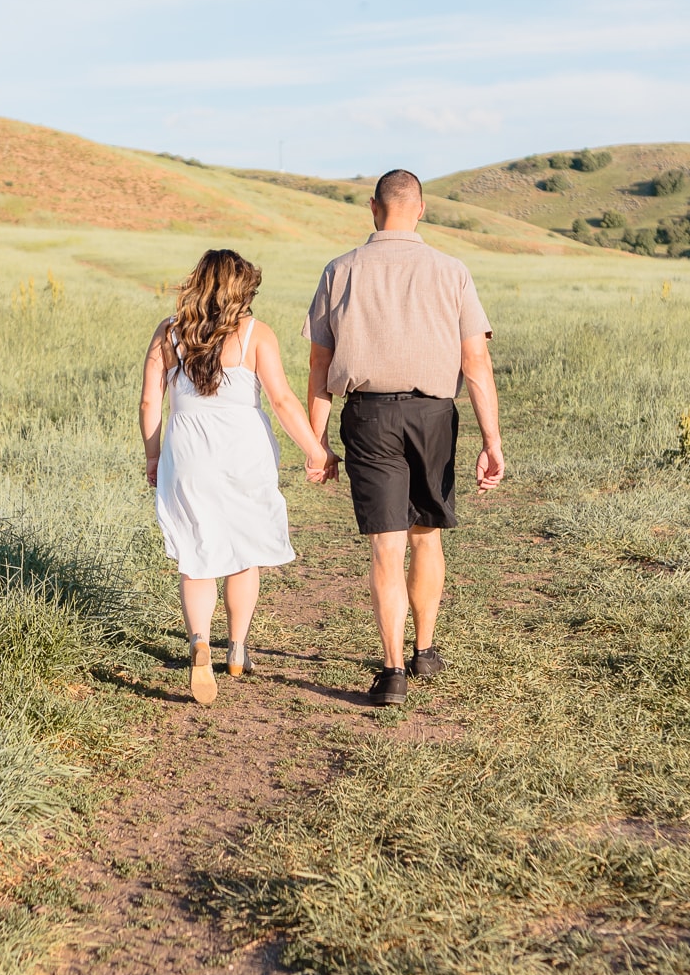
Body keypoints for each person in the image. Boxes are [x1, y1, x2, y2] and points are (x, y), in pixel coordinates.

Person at [303, 169, 504, 706]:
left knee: (386, 547)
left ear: (373, 208)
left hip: (366, 417)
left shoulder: (339, 270)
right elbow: (475, 361)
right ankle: (426, 650)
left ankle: (391, 671)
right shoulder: (451, 270)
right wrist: (492, 441)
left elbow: (319, 364)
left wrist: (317, 443)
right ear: (421, 208)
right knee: (426, 536)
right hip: (433, 414)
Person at [140, 248, 337, 705]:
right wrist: (316, 451)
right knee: (245, 551)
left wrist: (153, 458)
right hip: (243, 453)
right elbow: (284, 401)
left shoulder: (168, 333)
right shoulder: (256, 334)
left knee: (195, 553)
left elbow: (151, 404)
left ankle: (199, 644)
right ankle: (238, 649)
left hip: (187, 454)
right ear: (240, 291)